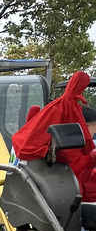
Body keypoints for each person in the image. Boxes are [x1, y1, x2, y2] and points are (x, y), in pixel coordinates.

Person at [13, 71, 96, 202]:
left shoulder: (59, 105)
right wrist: (91, 156)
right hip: (65, 177)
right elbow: (76, 152)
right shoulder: (68, 108)